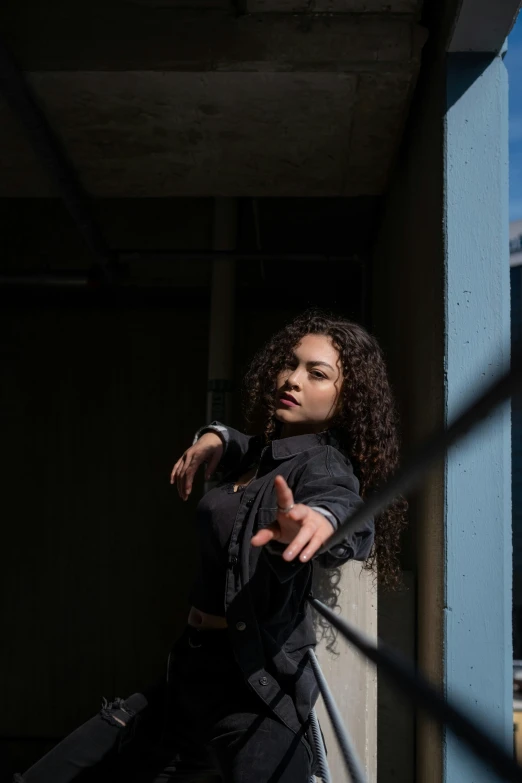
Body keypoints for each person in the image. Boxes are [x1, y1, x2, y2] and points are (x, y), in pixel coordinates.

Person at [14, 310, 406, 783]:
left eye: (316, 374)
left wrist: (322, 521)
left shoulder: (324, 465)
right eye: (290, 363)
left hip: (252, 690)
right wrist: (215, 436)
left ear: (347, 401)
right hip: (188, 674)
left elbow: (343, 506)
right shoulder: (261, 453)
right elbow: (246, 444)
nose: (293, 379)